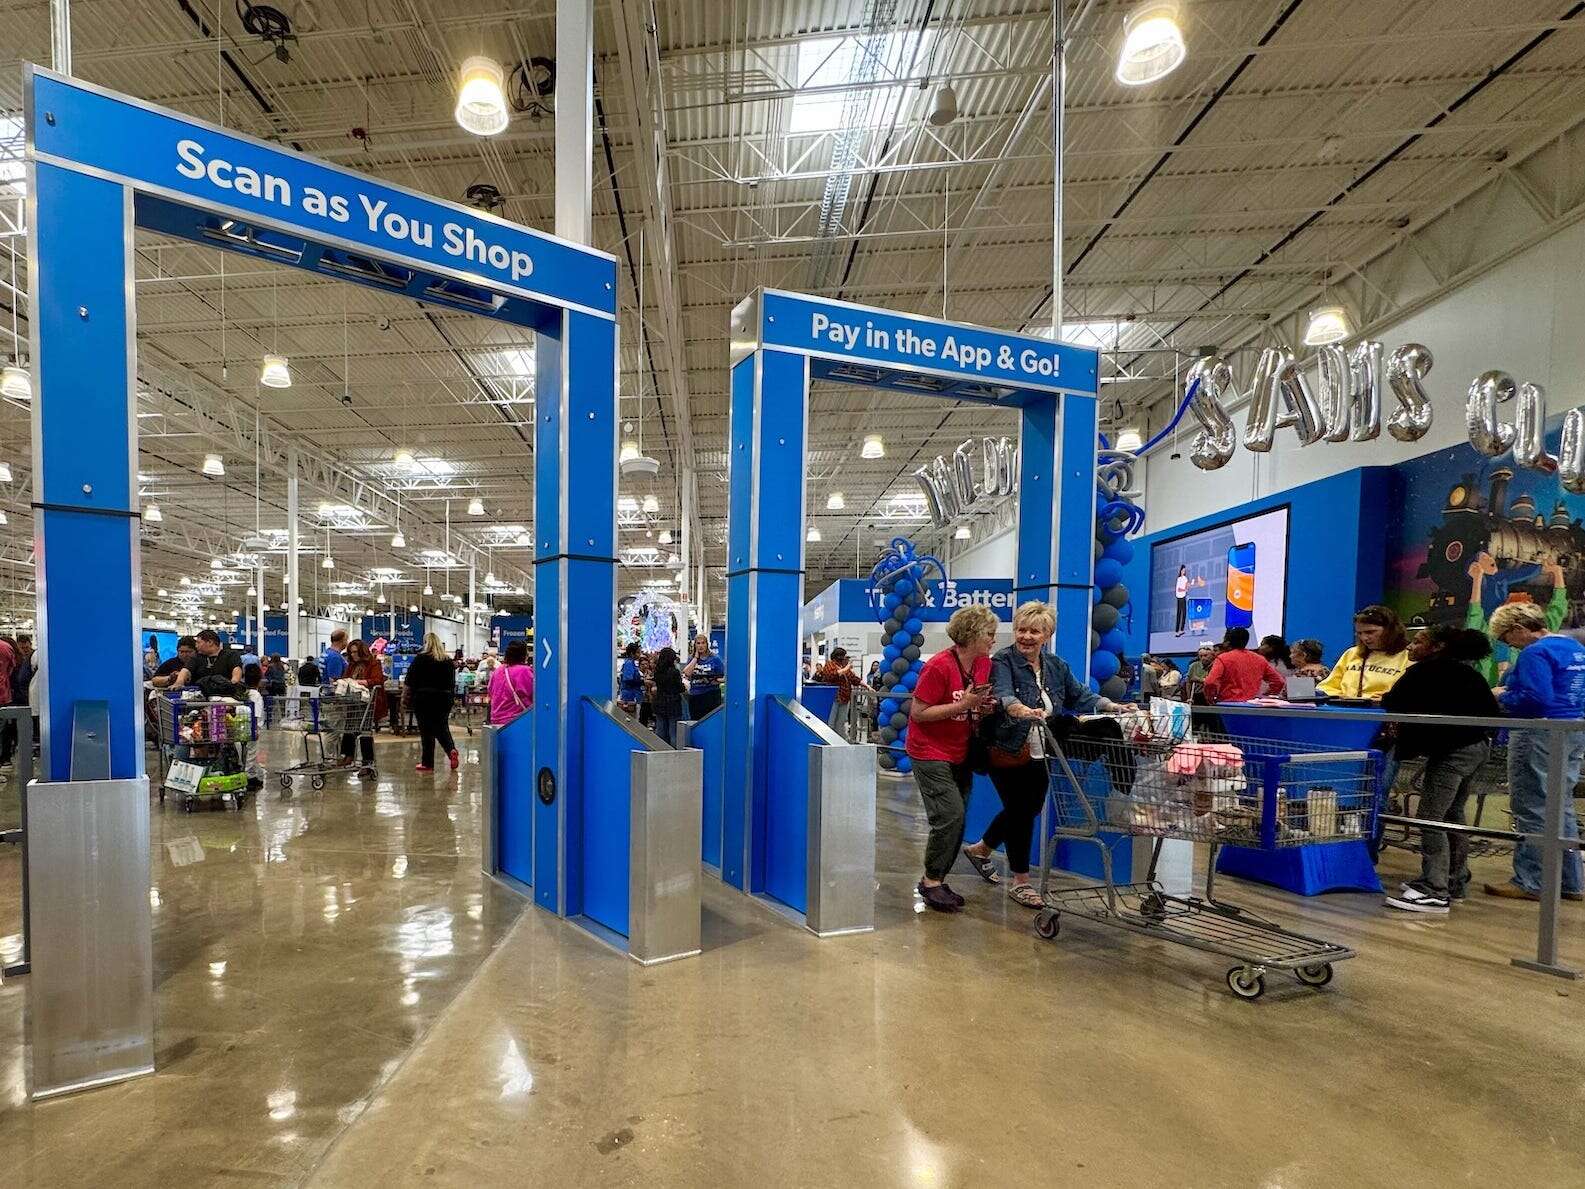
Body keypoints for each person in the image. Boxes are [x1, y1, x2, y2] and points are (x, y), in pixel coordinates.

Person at [963, 602, 1127, 908]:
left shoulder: (1055, 665)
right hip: (1006, 747)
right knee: (1020, 812)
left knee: (1028, 809)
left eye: (1034, 631)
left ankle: (982, 849)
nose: (1026, 636)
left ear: (1047, 634)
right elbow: (1003, 694)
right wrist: (1018, 709)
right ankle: (1021, 882)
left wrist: (1112, 706)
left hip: (1042, 750)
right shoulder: (1002, 660)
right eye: (1021, 629)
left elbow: (1080, 695)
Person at [1380, 627, 1502, 913]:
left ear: (1437, 647)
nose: (1410, 646)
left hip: (1453, 753)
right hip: (1476, 748)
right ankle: (1454, 880)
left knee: (1430, 818)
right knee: (1452, 815)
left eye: (1418, 641)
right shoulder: (1468, 674)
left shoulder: (1426, 672)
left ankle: (1434, 890)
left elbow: (1392, 701)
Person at [1485, 602, 1585, 902]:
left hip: (1537, 732)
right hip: (1573, 730)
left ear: (1518, 629)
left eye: (1505, 638)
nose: (1508, 645)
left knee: (1531, 806)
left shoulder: (1535, 652)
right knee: (1561, 805)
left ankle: (1531, 880)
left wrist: (1503, 694)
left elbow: (1535, 698)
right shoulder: (1573, 648)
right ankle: (1570, 881)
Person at [906, 605, 999, 913]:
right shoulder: (938, 667)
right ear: (971, 634)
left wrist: (981, 707)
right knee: (950, 814)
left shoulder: (983, 663)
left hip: (961, 750)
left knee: (958, 818)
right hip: (929, 751)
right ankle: (931, 881)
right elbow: (918, 713)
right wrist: (965, 704)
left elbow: (972, 703)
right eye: (988, 634)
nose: (993, 640)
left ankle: (937, 879)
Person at [1318, 605, 1410, 700]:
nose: (1364, 638)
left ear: (1390, 630)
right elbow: (1327, 687)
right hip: (1346, 710)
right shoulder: (1351, 653)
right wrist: (1339, 696)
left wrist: (1388, 699)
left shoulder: (1408, 657)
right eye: (1359, 633)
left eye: (1370, 632)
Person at [405, 632, 459, 772]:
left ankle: (427, 763)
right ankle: (451, 749)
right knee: (441, 726)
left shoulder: (420, 659)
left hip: (423, 698)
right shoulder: (447, 661)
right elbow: (452, 683)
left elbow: (409, 681)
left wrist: (405, 698)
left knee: (426, 730)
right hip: (444, 698)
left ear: (425, 643)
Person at [1202, 627, 1286, 704]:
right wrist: (1265, 696)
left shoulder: (1222, 658)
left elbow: (1210, 682)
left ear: (1227, 642)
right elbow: (1279, 682)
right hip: (1252, 705)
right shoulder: (1259, 659)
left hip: (1228, 705)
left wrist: (1210, 698)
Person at [336, 638, 379, 775]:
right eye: (351, 652)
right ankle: (348, 756)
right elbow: (346, 677)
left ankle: (367, 762)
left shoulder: (374, 663)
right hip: (352, 702)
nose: (353, 655)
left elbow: (377, 680)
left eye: (355, 652)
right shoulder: (351, 665)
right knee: (349, 728)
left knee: (365, 731)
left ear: (362, 651)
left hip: (366, 703)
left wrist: (362, 682)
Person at [175, 629, 243, 695]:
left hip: (225, 696)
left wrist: (233, 684)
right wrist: (179, 683)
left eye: (199, 642)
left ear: (210, 642)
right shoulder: (197, 657)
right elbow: (185, 670)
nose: (196, 646)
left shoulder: (230, 655)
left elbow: (236, 669)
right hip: (201, 697)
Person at [817, 647, 866, 738]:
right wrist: (847, 667)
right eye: (843, 657)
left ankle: (839, 740)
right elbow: (833, 675)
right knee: (831, 721)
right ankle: (828, 739)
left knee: (841, 722)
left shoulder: (843, 668)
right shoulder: (829, 665)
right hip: (833, 698)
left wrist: (868, 687)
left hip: (844, 698)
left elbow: (854, 679)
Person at [488, 639, 535, 728]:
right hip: (516, 721)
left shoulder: (498, 671)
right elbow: (535, 695)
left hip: (496, 720)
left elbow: (490, 692)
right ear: (523, 655)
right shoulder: (524, 671)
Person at [682, 635, 725, 720]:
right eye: (698, 643)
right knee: (695, 721)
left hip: (711, 694)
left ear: (706, 644)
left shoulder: (715, 659)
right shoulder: (691, 659)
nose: (701, 646)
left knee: (711, 720)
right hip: (695, 695)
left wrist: (713, 681)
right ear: (695, 645)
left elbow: (723, 677)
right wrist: (695, 658)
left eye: (703, 643)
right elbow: (687, 673)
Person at [650, 646, 685, 745]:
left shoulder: (657, 671)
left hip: (659, 702)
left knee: (660, 730)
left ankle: (659, 750)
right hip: (673, 703)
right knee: (673, 732)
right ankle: (673, 754)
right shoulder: (674, 672)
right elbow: (679, 687)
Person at [240, 663, 266, 790]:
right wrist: (255, 729)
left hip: (242, 726)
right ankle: (248, 777)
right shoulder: (256, 695)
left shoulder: (244, 693)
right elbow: (255, 714)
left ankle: (252, 774)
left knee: (247, 753)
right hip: (252, 728)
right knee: (251, 753)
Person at [617, 642, 644, 714]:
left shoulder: (632, 663)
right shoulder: (628, 664)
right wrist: (642, 682)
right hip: (629, 696)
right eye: (638, 652)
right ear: (632, 653)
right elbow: (629, 680)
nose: (639, 654)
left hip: (633, 694)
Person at [1174, 564, 1189, 635]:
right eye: (1183, 570)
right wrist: (1184, 589)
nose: (1183, 571)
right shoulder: (1179, 579)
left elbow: (1186, 587)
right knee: (1179, 613)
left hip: (1183, 597)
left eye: (1184, 570)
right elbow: (1178, 589)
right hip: (1179, 597)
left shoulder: (1185, 578)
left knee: (1184, 613)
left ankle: (1182, 629)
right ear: (1180, 570)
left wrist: (1187, 587)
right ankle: (1177, 630)